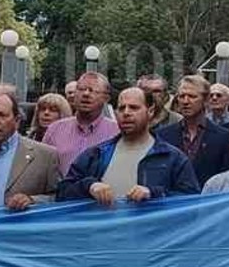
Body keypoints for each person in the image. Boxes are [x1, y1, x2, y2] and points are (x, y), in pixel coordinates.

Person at [56, 87, 198, 204]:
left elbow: (191, 202)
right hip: (102, 235)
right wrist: (89, 186)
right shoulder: (96, 154)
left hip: (151, 236)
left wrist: (154, 194)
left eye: (134, 108)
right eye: (121, 108)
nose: (126, 113)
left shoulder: (173, 158)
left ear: (150, 111)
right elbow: (62, 193)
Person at [156, 75, 229, 187]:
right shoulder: (163, 135)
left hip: (208, 200)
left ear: (206, 100)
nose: (185, 101)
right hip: (173, 201)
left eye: (192, 96)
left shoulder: (224, 137)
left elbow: (226, 179)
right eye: (181, 96)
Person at [43, 72, 119, 177]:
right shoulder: (55, 129)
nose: (86, 94)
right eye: (81, 89)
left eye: (93, 90)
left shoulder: (117, 132)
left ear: (106, 98)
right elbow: (43, 169)